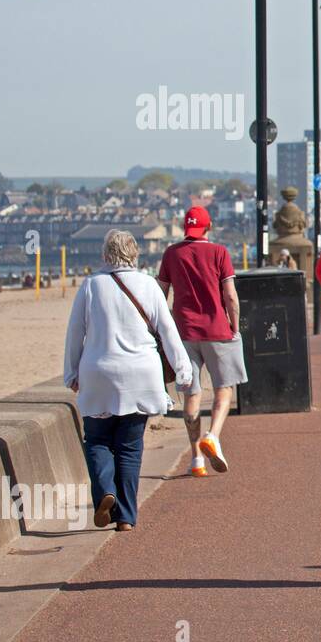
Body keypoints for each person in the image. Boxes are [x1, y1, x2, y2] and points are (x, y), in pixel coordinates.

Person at [65, 230, 192, 530]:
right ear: (135, 254)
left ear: (105, 254)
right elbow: (168, 332)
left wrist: (71, 372)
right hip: (140, 376)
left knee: (96, 440)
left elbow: (75, 333)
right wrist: (183, 371)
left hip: (98, 374)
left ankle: (106, 490)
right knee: (130, 447)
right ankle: (125, 517)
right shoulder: (149, 285)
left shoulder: (91, 285)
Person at [158, 206, 247, 478]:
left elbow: (161, 294)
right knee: (224, 388)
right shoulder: (219, 252)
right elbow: (230, 296)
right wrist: (234, 325)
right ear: (208, 228)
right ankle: (213, 435)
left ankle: (196, 459)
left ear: (187, 228)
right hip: (218, 329)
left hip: (184, 332)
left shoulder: (172, 254)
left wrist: (165, 329)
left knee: (191, 393)